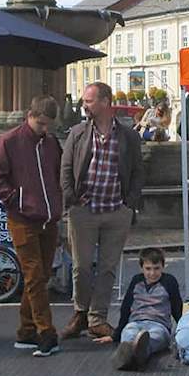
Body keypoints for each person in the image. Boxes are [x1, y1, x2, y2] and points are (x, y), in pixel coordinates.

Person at [60, 82, 144, 341]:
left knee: (108, 268)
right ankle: (80, 313)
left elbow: (138, 171)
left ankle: (97, 318)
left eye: (89, 101)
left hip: (116, 210)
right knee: (82, 267)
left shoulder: (128, 136)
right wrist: (71, 198)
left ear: (105, 102)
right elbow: (65, 168)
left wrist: (129, 204)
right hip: (84, 210)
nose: (84, 105)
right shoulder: (78, 133)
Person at [0, 96, 64, 357]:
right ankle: (46, 332)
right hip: (22, 218)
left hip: (48, 218)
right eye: (41, 123)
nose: (44, 129)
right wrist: (16, 200)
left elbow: (56, 174)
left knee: (41, 276)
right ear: (30, 116)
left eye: (49, 125)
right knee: (34, 274)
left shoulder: (51, 143)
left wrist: (58, 201)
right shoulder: (10, 141)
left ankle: (26, 330)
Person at [93, 247, 182, 371]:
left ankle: (133, 354)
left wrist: (183, 333)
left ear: (163, 266)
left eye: (156, 268)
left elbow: (177, 308)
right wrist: (115, 335)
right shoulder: (136, 281)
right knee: (128, 333)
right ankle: (132, 352)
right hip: (136, 322)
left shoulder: (169, 281)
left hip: (159, 324)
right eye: (148, 269)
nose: (152, 273)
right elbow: (126, 308)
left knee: (155, 337)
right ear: (141, 268)